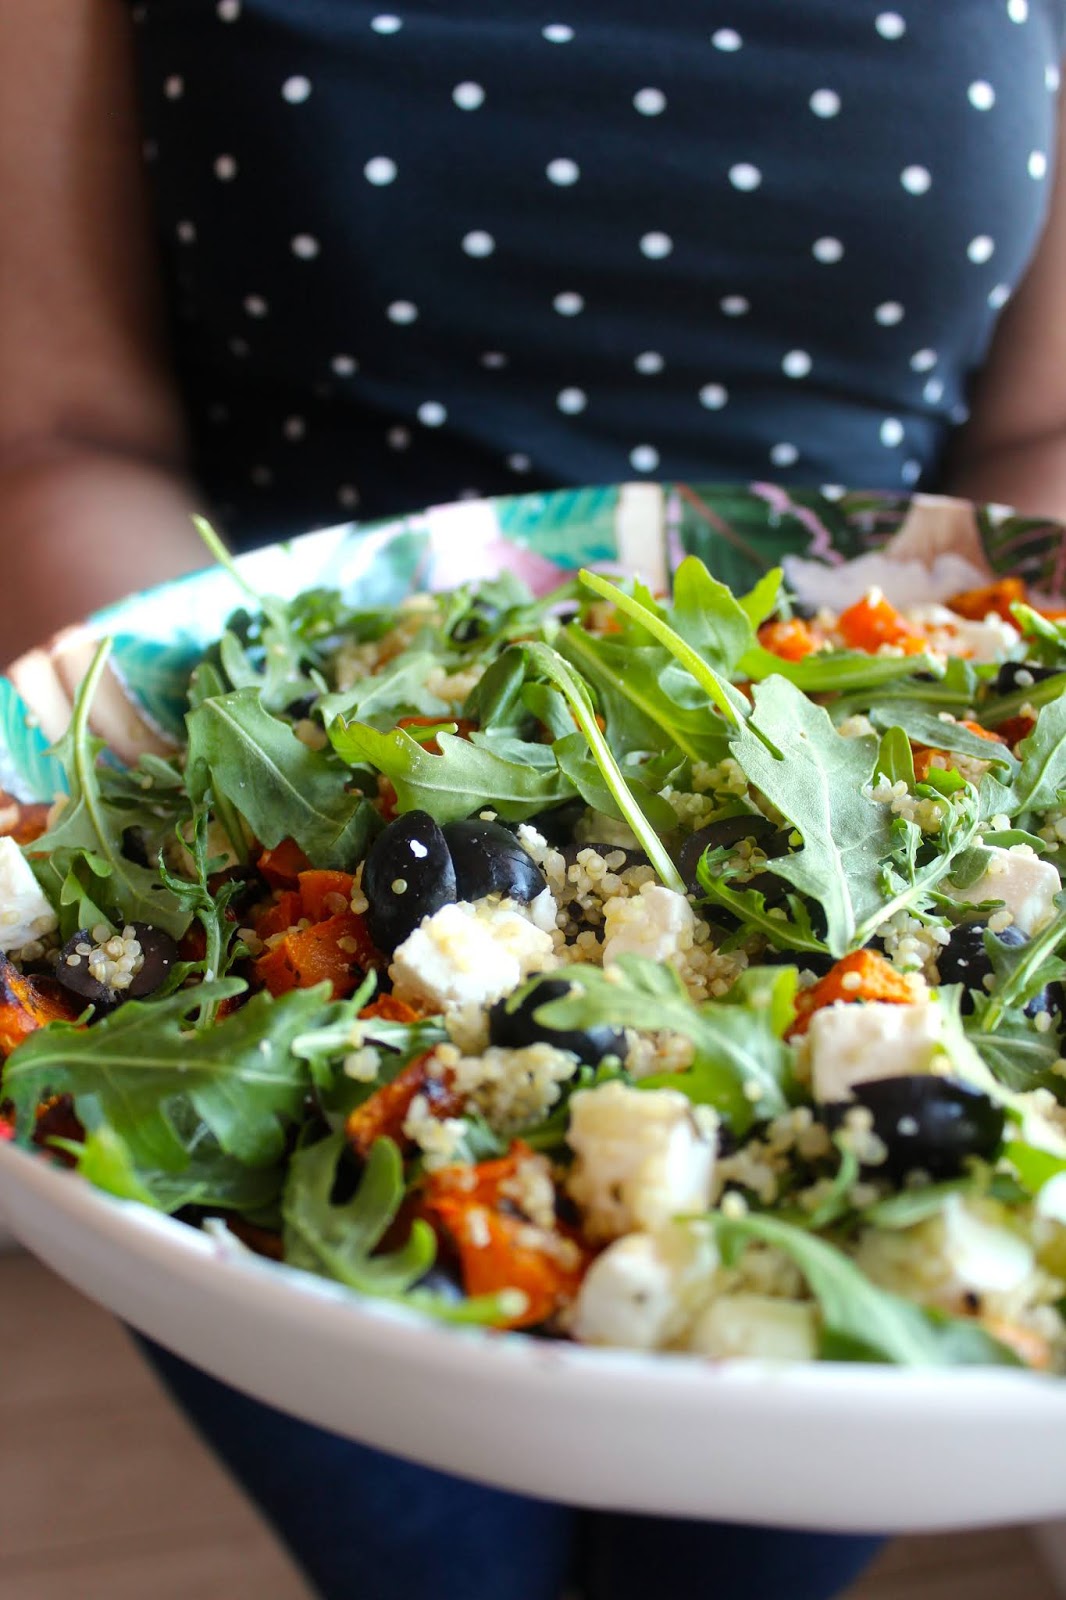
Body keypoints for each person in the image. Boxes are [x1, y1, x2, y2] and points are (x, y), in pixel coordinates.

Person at [2, 3, 1065, 1596]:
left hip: (889, 750)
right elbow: (58, 429)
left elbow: (1042, 432)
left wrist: (971, 709)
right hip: (281, 807)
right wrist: (236, 764)